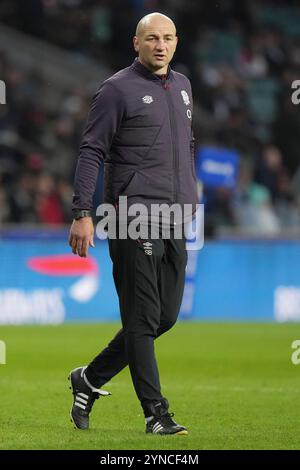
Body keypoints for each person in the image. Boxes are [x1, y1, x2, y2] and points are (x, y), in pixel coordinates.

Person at [68, 12, 198, 435]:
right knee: (142, 319)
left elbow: (185, 146)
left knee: (165, 318)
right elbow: (91, 151)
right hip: (131, 216)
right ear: (136, 43)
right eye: (152, 38)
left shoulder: (183, 87)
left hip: (175, 216)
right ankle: (156, 414)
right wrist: (82, 212)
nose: (160, 45)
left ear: (176, 43)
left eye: (168, 38)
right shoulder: (116, 89)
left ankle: (88, 379)